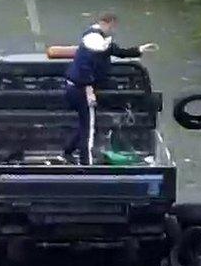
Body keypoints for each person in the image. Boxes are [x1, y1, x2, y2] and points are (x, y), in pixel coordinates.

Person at [62, 12, 157, 164]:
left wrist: (139, 49)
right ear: (106, 23)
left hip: (74, 87)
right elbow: (84, 68)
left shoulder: (99, 40)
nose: (112, 29)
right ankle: (86, 163)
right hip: (81, 89)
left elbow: (117, 51)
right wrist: (89, 90)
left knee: (85, 123)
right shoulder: (94, 42)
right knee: (89, 128)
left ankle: (68, 151)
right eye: (111, 26)